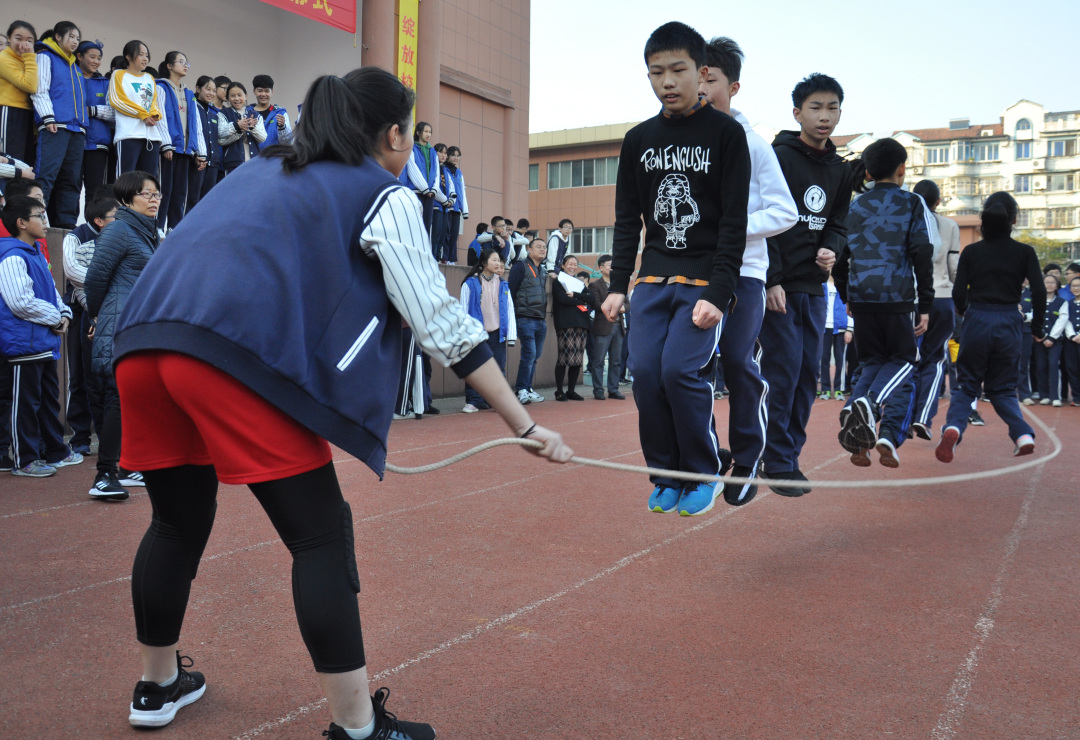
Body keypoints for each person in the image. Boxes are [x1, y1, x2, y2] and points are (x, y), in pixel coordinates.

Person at [108, 66, 571, 738]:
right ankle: (357, 729)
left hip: (144, 345)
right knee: (320, 536)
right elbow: (437, 320)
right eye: (410, 138)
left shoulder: (258, 168)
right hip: (226, 353)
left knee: (175, 524)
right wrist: (524, 422)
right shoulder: (383, 194)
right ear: (392, 135)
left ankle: (155, 687)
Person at [602, 21, 750, 516]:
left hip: (704, 282)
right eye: (655, 72)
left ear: (701, 71)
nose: (667, 81)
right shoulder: (639, 139)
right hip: (652, 279)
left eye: (678, 70)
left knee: (680, 372)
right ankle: (665, 474)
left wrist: (721, 290)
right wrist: (618, 284)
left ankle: (703, 472)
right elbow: (628, 220)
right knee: (644, 374)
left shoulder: (727, 135)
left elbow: (734, 222)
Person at [699, 34, 798, 505]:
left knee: (738, 361)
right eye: (692, 77)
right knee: (688, 367)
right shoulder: (679, 141)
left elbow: (785, 212)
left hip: (744, 273)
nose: (700, 89)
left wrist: (732, 230)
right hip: (692, 273)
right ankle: (705, 455)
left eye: (710, 80)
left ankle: (748, 457)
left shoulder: (753, 144)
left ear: (732, 87)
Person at [757, 72, 850, 495]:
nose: (824, 116)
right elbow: (763, 219)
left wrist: (831, 247)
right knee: (783, 370)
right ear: (797, 112)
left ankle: (786, 458)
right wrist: (772, 278)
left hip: (814, 287)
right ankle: (773, 459)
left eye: (832, 108)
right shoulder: (777, 156)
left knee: (808, 374)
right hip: (777, 285)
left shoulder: (840, 168)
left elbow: (838, 222)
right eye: (815, 107)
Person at [833, 138, 933, 468]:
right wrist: (926, 304)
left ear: (870, 170)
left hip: (861, 297)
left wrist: (847, 295)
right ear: (902, 169)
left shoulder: (855, 206)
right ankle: (871, 404)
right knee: (906, 358)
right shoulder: (912, 203)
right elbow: (922, 253)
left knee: (872, 359)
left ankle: (854, 404)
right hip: (896, 295)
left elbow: (839, 257)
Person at [936, 192, 1046, 462]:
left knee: (966, 385)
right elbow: (1040, 291)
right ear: (1014, 220)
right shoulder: (1025, 252)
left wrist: (966, 312)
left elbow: (958, 292)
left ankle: (953, 427)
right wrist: (1037, 328)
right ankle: (1022, 434)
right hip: (1009, 320)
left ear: (983, 221)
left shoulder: (972, 251)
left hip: (978, 319)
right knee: (1004, 389)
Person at [84, 170, 160, 500]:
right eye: (147, 194)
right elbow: (95, 280)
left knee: (131, 396)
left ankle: (128, 467)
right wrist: (98, 316)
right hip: (119, 322)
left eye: (156, 194)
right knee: (117, 395)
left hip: (138, 324)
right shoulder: (119, 230)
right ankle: (104, 475)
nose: (154, 199)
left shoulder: (147, 233)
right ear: (128, 198)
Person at [0, 194, 82, 476]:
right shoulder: (12, 256)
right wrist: (55, 317)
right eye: (40, 216)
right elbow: (19, 301)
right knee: (25, 404)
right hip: (24, 343)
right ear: (22, 222)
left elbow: (53, 294)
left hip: (42, 341)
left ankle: (55, 451)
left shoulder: (35, 253)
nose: (46, 222)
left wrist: (65, 314)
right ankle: (24, 459)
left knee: (49, 400)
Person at [62, 194, 119, 455]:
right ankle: (80, 437)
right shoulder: (76, 238)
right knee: (81, 376)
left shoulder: (124, 238)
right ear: (98, 220)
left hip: (114, 315)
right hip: (83, 312)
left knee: (110, 380)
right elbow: (73, 273)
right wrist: (108, 285)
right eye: (115, 216)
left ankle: (109, 437)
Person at [907, 179, 961, 439]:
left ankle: (902, 417)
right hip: (941, 296)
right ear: (937, 201)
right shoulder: (950, 225)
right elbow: (954, 267)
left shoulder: (905, 221)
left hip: (911, 298)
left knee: (907, 360)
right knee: (936, 360)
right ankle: (924, 418)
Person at [31, 20, 87, 228]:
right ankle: (36, 219)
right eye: (71, 36)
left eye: (77, 38)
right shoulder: (46, 57)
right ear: (57, 37)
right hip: (55, 126)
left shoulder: (75, 66)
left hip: (76, 130)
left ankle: (66, 225)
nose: (75, 41)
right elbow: (40, 89)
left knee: (72, 181)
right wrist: (48, 117)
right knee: (46, 176)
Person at [459, 247, 515, 412]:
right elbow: (462, 310)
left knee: (498, 368)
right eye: (494, 260)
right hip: (476, 333)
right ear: (483, 263)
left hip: (497, 333)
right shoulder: (470, 283)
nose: (498, 263)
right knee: (474, 367)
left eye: (499, 260)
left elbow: (510, 310)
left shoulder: (503, 284)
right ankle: (473, 401)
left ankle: (497, 401)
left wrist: (510, 335)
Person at [155, 51, 205, 232]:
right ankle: (158, 226)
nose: (185, 66)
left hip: (185, 151)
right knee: (164, 189)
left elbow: (196, 124)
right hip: (169, 148)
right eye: (181, 62)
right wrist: (166, 144)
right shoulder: (160, 87)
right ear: (169, 65)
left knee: (180, 192)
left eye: (187, 63)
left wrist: (199, 151)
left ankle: (174, 228)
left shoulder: (189, 93)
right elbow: (160, 117)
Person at [109, 40, 169, 178]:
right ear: (128, 56)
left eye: (146, 55)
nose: (145, 58)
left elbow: (153, 102)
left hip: (151, 137)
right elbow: (117, 100)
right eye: (140, 54)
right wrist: (142, 115)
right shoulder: (118, 74)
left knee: (149, 179)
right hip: (129, 134)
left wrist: (155, 115)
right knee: (126, 178)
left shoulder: (149, 78)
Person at [507, 236, 550, 404]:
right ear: (529, 250)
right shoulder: (520, 266)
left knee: (535, 355)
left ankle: (528, 387)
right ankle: (521, 389)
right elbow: (510, 291)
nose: (542, 249)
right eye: (538, 246)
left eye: (544, 247)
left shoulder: (543, 270)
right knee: (529, 354)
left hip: (540, 319)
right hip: (525, 318)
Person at [550, 253, 596, 401]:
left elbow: (592, 299)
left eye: (575, 264)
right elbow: (563, 299)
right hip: (565, 323)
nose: (572, 267)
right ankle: (559, 391)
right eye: (569, 263)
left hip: (582, 324)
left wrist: (575, 294)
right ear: (563, 265)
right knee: (564, 358)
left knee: (577, 359)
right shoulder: (558, 282)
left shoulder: (579, 284)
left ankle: (571, 390)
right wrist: (580, 301)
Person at [76, 39, 114, 204]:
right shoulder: (71, 77)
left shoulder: (105, 83)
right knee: (71, 184)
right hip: (74, 140)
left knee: (95, 189)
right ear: (79, 56)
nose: (96, 61)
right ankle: (67, 224)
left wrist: (92, 110)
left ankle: (93, 224)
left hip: (98, 143)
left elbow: (114, 113)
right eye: (92, 57)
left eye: (99, 58)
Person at [587, 254, 626, 401]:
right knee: (598, 360)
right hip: (603, 326)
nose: (612, 268)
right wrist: (613, 306)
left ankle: (613, 389)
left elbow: (627, 304)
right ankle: (598, 390)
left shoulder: (619, 285)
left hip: (619, 327)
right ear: (601, 268)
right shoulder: (595, 285)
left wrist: (622, 307)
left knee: (616, 361)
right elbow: (595, 304)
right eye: (609, 265)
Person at [0, 20, 38, 166]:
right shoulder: (3, 58)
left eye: (29, 40)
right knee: (9, 160)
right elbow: (30, 85)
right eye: (18, 38)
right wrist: (30, 56)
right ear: (9, 38)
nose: (24, 44)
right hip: (8, 112)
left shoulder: (25, 60)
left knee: (24, 163)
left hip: (26, 114)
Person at [398, 120, 442, 234]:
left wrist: (434, 189)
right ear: (418, 132)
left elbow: (437, 171)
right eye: (426, 132)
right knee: (414, 224)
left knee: (427, 226)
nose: (428, 134)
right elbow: (413, 169)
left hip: (430, 194)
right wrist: (424, 188)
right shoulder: (412, 148)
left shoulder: (432, 151)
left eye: (430, 132)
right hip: (417, 191)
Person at [187, 75, 222, 209]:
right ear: (198, 88)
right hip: (197, 160)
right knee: (193, 197)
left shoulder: (214, 113)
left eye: (214, 90)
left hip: (213, 161)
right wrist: (195, 156)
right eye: (208, 89)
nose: (211, 93)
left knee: (208, 200)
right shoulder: (192, 107)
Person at [1032, 274, 1065, 406]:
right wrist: (1039, 335)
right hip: (1039, 340)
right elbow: (1033, 316)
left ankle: (1055, 396)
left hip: (1055, 341)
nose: (1049, 285)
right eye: (1046, 282)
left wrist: (1051, 337)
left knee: (1053, 366)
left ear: (1057, 285)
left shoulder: (1062, 302)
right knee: (1040, 366)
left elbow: (1062, 321)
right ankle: (1044, 394)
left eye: (1052, 282)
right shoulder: (1037, 301)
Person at [219, 81, 265, 174]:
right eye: (232, 96)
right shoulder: (223, 113)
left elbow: (263, 138)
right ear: (227, 98)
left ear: (246, 96)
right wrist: (237, 126)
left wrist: (252, 128)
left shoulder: (255, 115)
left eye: (239, 95)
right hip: (232, 162)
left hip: (254, 162)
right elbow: (220, 134)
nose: (236, 99)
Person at [1048, 275, 1080, 405]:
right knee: (1072, 368)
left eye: (1078, 286)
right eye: (1073, 286)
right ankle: (1076, 397)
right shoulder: (1067, 303)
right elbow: (1066, 320)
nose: (1076, 288)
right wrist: (1073, 336)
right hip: (1071, 341)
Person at [820, 275, 851, 400]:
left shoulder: (843, 284)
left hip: (841, 327)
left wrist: (849, 329)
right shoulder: (821, 284)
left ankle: (839, 389)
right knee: (824, 359)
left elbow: (849, 306)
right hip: (824, 327)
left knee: (840, 360)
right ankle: (825, 389)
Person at [248, 73, 291, 150]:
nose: (263, 94)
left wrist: (282, 127)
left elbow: (288, 143)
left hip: (273, 158)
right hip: (252, 160)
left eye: (267, 91)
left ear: (272, 92)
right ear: (254, 91)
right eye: (260, 91)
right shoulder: (247, 112)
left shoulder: (280, 113)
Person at [444, 145, 468, 263]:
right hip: (447, 206)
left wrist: (465, 210)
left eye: (458, 156)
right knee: (446, 233)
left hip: (457, 208)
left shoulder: (459, 172)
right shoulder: (443, 169)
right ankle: (444, 257)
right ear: (448, 156)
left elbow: (462, 191)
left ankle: (451, 259)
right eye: (453, 155)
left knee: (454, 235)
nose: (456, 158)